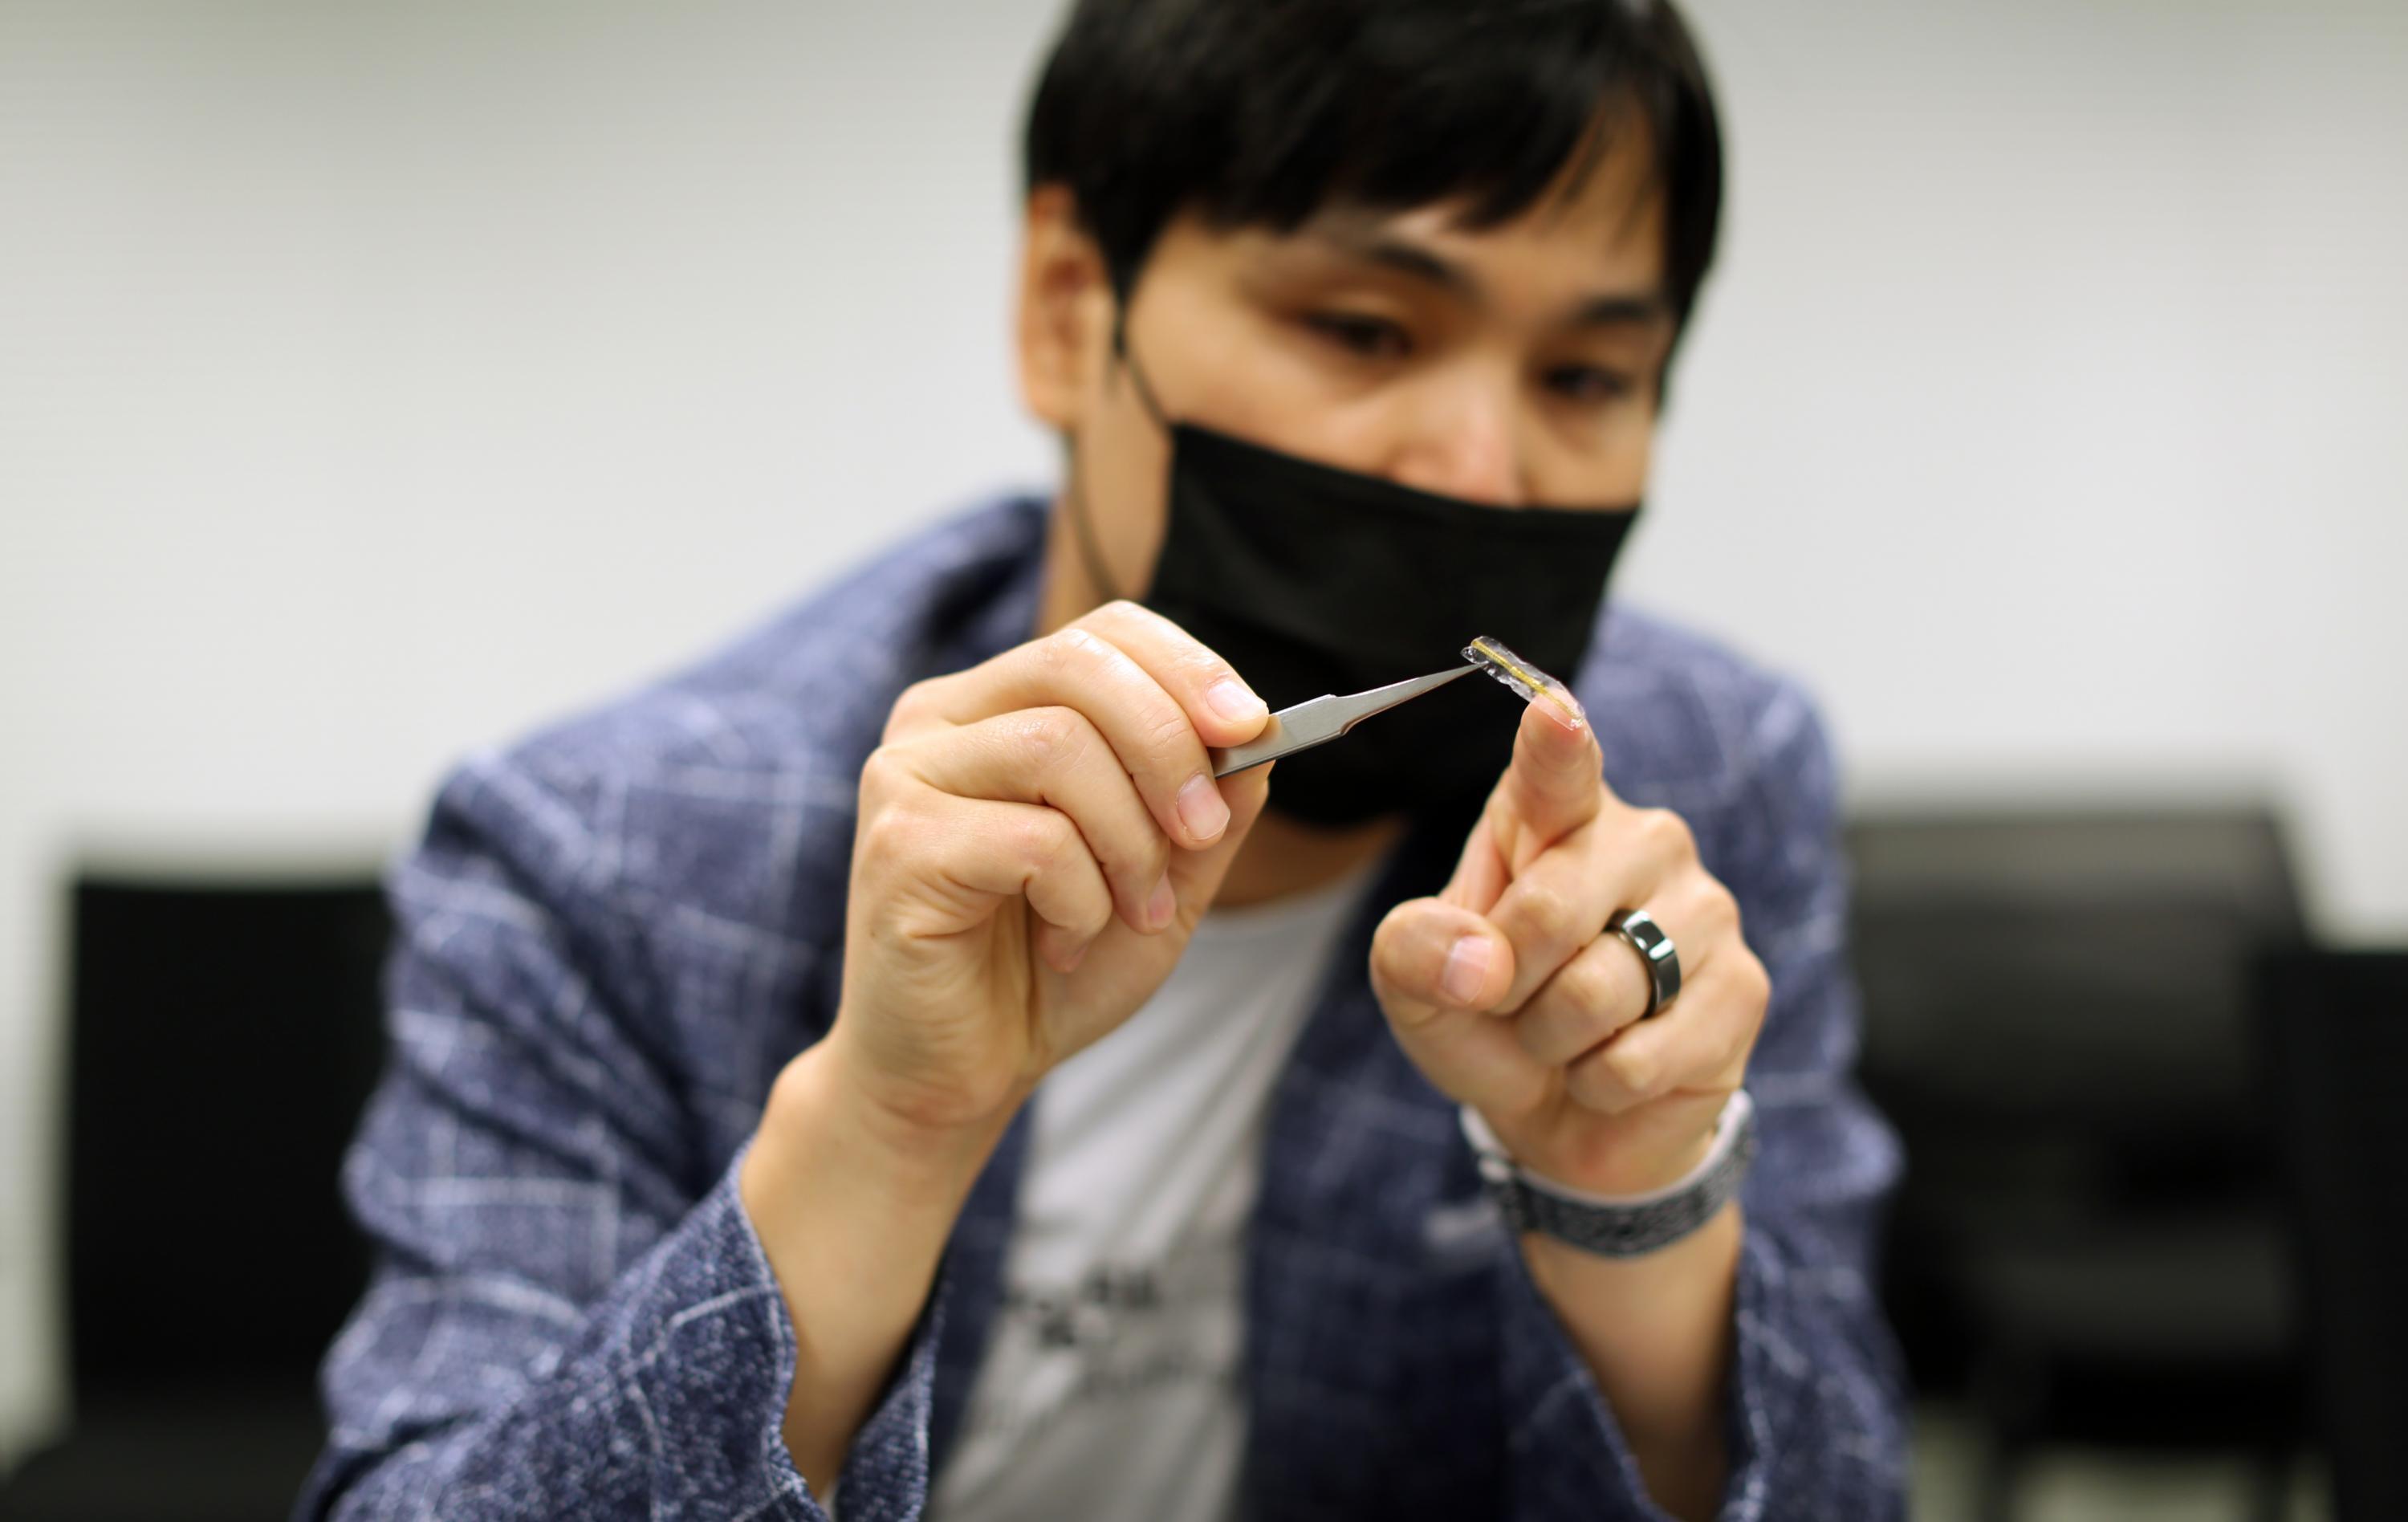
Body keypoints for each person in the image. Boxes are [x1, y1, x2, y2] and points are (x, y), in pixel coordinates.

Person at [298, 1, 1906, 1518]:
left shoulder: (1693, 802)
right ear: (1072, 312)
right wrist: (878, 1134)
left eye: (1584, 379)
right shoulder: (607, 853)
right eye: (1364, 329)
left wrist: (1638, 1208)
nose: (1480, 468)